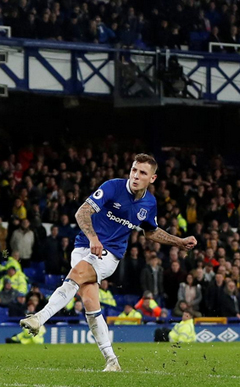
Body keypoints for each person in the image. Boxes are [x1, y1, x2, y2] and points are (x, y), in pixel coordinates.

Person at [20, 154, 197, 371]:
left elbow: (150, 232)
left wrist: (179, 242)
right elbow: (82, 211)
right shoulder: (113, 187)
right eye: (134, 170)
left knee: (76, 276)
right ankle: (112, 360)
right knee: (90, 303)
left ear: (152, 178)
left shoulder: (149, 203)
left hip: (109, 255)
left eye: (142, 173)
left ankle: (39, 317)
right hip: (83, 246)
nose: (135, 176)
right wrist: (93, 238)